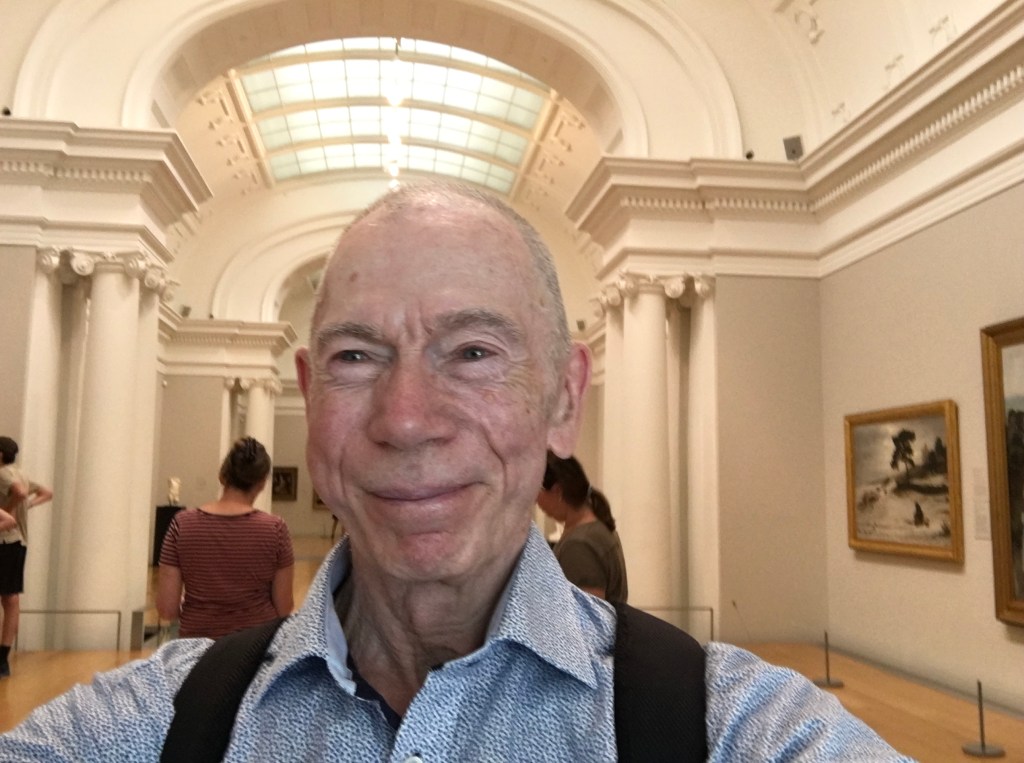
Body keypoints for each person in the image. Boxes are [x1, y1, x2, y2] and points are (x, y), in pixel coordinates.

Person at [0, 182, 913, 761]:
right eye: (358, 357)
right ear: (312, 398)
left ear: (564, 395)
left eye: (473, 350)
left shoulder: (734, 728)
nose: (405, 418)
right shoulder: (153, 724)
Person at [156, 436, 295, 639]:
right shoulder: (275, 529)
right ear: (262, 483)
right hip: (254, 650)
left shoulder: (182, 524)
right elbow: (284, 607)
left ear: (222, 475)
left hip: (198, 649)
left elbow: (167, 609)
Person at [538, 451, 628, 602]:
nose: (536, 501)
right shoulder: (593, 529)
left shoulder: (580, 546)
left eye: (537, 490)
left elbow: (587, 620)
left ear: (557, 491)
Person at [0, 436, 53, 679]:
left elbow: (20, 493)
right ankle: (3, 657)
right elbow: (46, 492)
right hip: (19, 540)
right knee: (11, 600)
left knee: (8, 599)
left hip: (5, 540)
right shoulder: (19, 472)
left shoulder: (3, 475)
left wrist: (9, 511)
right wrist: (27, 507)